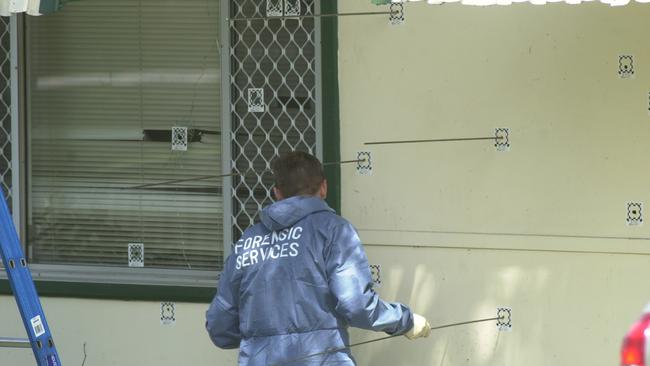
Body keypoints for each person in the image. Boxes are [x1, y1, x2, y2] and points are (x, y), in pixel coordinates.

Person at [206, 151, 431, 365]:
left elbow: (219, 325)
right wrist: (405, 321)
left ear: (277, 193)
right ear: (324, 187)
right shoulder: (334, 231)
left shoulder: (248, 240)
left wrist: (260, 340)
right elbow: (356, 304)